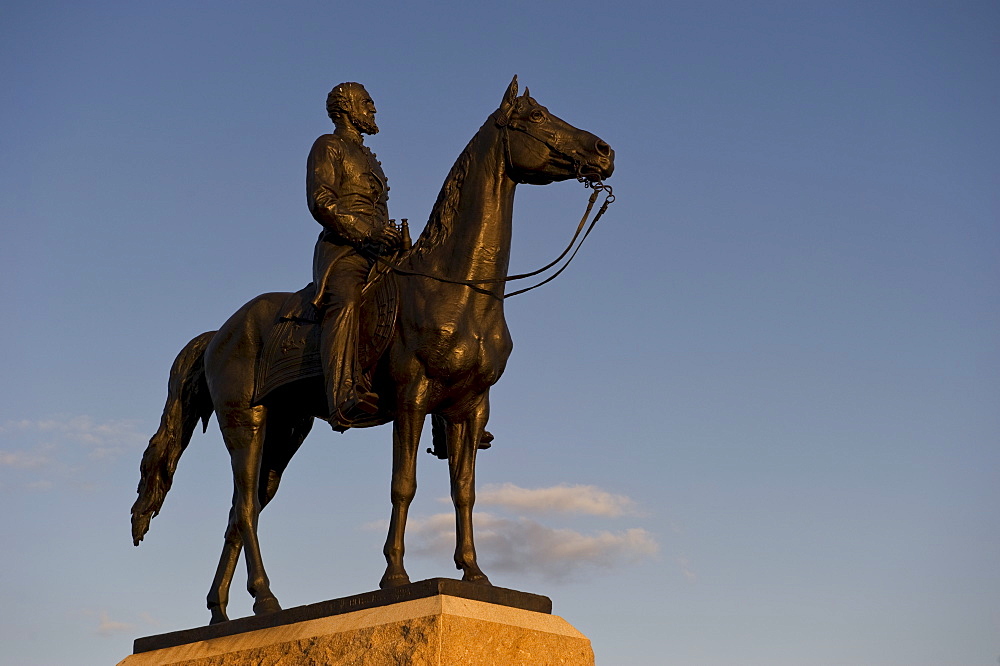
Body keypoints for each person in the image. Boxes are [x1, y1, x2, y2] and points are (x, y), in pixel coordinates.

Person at [307, 82, 401, 427]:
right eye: (367, 103)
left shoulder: (368, 157)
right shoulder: (328, 146)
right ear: (346, 108)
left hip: (380, 252)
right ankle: (341, 394)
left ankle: (445, 412)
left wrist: (392, 239)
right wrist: (368, 231)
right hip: (344, 249)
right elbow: (322, 201)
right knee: (345, 301)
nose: (373, 110)